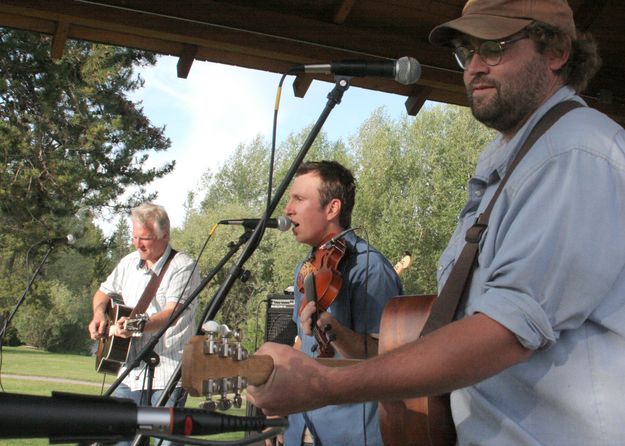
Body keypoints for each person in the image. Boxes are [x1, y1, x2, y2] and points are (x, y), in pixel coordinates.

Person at [248, 1, 625, 445]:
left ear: (556, 51)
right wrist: (309, 371)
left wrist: (324, 385)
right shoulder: (514, 159)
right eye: (467, 52)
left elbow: (504, 332)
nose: (474, 68)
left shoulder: (575, 151)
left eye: (494, 47)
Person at [273, 160, 403, 446]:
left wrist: (334, 329)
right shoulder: (305, 269)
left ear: (332, 208)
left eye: (299, 199)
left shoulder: (369, 268)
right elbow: (303, 343)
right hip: (301, 426)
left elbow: (387, 356)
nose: (287, 209)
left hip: (349, 432)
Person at [88, 203, 199, 446]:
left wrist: (137, 325)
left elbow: (173, 313)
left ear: (165, 236)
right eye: (134, 237)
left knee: (165, 442)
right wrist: (99, 314)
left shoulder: (183, 266)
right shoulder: (129, 262)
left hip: (169, 373)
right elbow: (102, 293)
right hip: (128, 372)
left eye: (145, 238)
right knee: (118, 440)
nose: (138, 244)